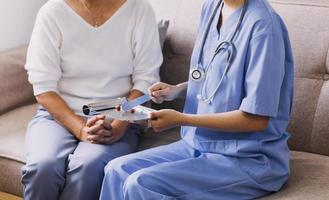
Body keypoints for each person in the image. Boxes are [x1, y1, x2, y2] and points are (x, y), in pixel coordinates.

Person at [99, 0, 294, 199]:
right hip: (197, 144)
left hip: (247, 157)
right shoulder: (212, 7)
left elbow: (256, 119)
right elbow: (210, 75)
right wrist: (177, 90)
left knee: (140, 183)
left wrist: (182, 119)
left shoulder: (264, 27)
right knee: (116, 170)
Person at [21, 0, 162, 199]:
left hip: (117, 116)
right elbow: (43, 88)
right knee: (43, 166)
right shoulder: (51, 12)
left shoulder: (139, 9)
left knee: (88, 165)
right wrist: (80, 129)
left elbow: (146, 80)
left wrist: (119, 126)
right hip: (57, 116)